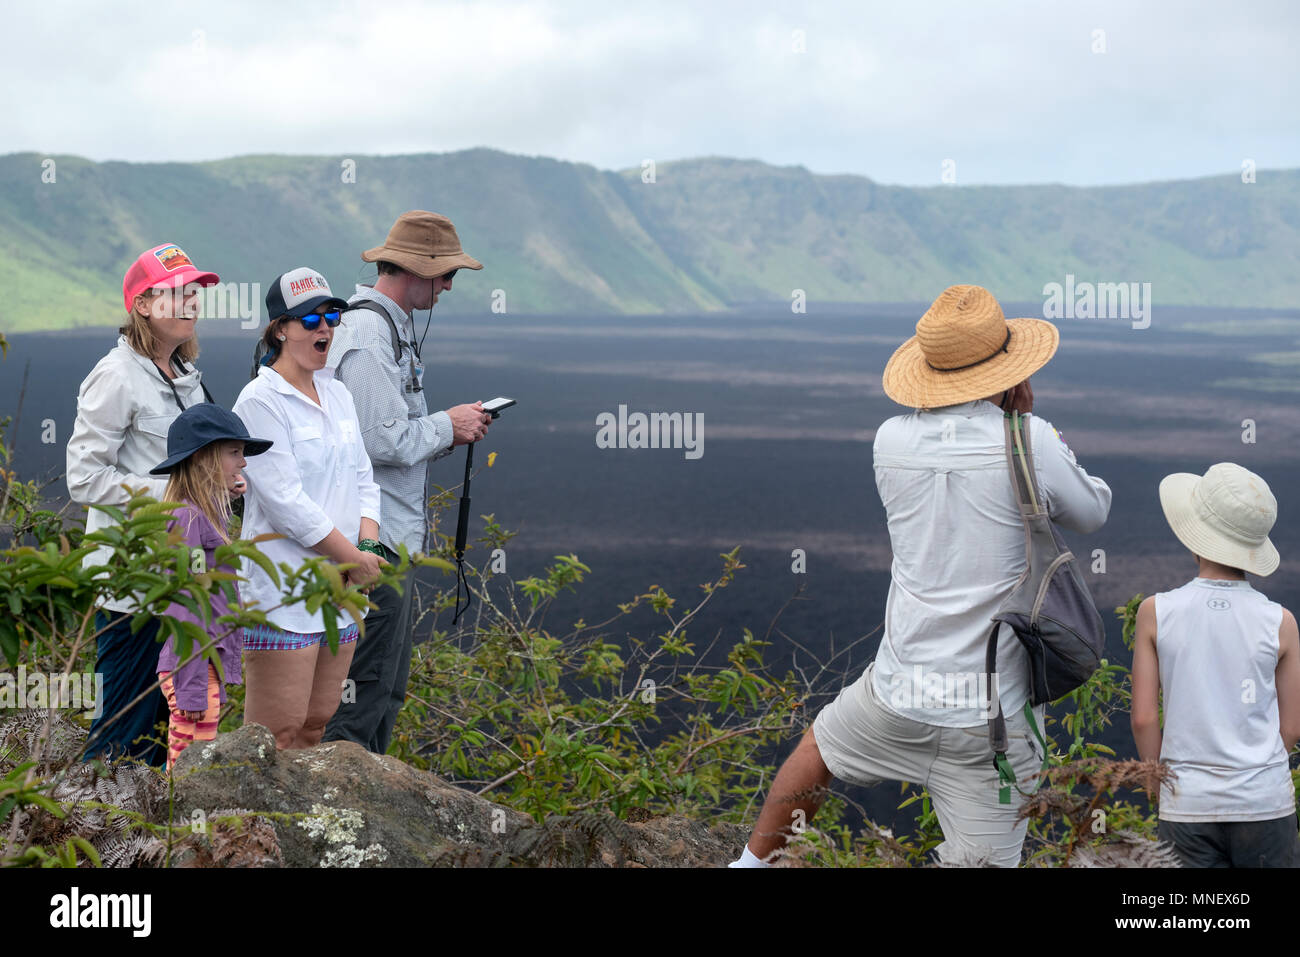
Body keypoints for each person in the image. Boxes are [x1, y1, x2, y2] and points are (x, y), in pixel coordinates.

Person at [731, 284, 1112, 868]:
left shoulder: (889, 440)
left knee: (820, 748)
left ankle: (749, 865)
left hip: (897, 693)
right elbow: (1091, 512)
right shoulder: (1027, 438)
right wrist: (1031, 427)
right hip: (992, 717)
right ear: (1010, 370)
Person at [321, 210, 492, 754]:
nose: (447, 287)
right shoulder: (370, 331)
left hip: (389, 532)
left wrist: (445, 431)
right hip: (375, 539)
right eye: (446, 275)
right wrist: (448, 424)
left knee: (386, 686)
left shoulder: (386, 327)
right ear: (418, 270)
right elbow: (382, 439)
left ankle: (366, 798)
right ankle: (346, 796)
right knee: (366, 685)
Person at [67, 243, 221, 765]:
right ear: (143, 304)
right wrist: (176, 498)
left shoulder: (186, 376)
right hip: (133, 584)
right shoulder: (116, 375)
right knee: (119, 732)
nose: (190, 302)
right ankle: (91, 835)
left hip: (185, 580)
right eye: (176, 293)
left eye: (195, 292)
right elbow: (84, 478)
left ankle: (149, 844)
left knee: (169, 729)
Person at [233, 267, 384, 750]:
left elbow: (364, 476)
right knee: (275, 731)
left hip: (341, 588)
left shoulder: (338, 393)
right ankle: (249, 827)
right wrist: (353, 559)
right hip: (284, 591)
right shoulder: (259, 400)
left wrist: (367, 545)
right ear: (280, 329)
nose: (325, 328)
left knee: (317, 721)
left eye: (332, 315)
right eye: (310, 319)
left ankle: (298, 826)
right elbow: (284, 502)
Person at [1130, 463, 1300, 867]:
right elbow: (1291, 727)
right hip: (1265, 804)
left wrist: (1159, 785)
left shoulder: (1156, 612)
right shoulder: (1281, 621)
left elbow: (1142, 718)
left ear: (1197, 539)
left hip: (1186, 805)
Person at [148, 404, 272, 770]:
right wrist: (190, 681)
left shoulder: (196, 513)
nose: (244, 462)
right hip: (192, 664)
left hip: (203, 662)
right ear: (204, 458)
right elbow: (186, 602)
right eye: (234, 452)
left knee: (194, 756)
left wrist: (229, 494)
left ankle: (181, 822)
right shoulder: (184, 519)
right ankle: (178, 825)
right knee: (189, 764)